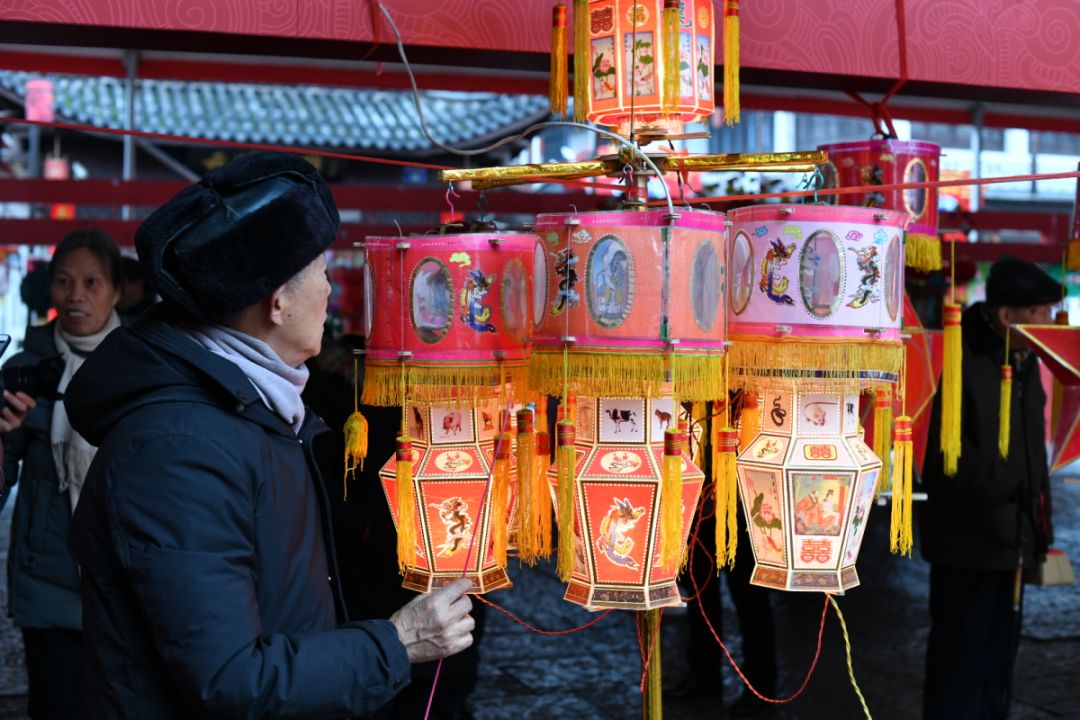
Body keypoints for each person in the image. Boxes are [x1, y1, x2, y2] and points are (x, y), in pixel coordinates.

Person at [64, 152, 475, 718]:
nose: (330, 289)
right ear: (277, 301)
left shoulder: (252, 406)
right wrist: (396, 642)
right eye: (322, 271)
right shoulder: (178, 449)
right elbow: (229, 678)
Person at [921, 256, 1061, 720]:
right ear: (1007, 316)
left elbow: (1033, 449)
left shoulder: (1023, 358)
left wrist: (1040, 522)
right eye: (1039, 313)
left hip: (1013, 540)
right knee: (959, 659)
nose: (1048, 323)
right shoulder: (965, 360)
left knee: (999, 658)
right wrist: (1013, 486)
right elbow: (949, 462)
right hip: (968, 542)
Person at [0, 227, 124, 719]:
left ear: (116, 290)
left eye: (92, 282)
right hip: (46, 578)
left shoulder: (142, 366)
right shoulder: (24, 369)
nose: (75, 296)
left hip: (124, 578)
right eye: (64, 282)